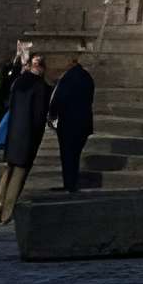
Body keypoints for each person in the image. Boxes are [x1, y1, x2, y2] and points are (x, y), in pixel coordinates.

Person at [0, 53, 51, 222]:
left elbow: (9, 104)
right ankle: (7, 212)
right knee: (19, 173)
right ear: (42, 67)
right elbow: (39, 116)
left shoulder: (19, 83)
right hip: (28, 135)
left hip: (14, 133)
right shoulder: (41, 87)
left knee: (8, 169)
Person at [50, 54, 97, 195]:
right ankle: (71, 183)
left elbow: (58, 98)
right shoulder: (87, 78)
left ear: (71, 63)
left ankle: (69, 184)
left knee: (67, 154)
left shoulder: (68, 78)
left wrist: (52, 115)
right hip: (83, 123)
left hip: (68, 123)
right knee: (75, 154)